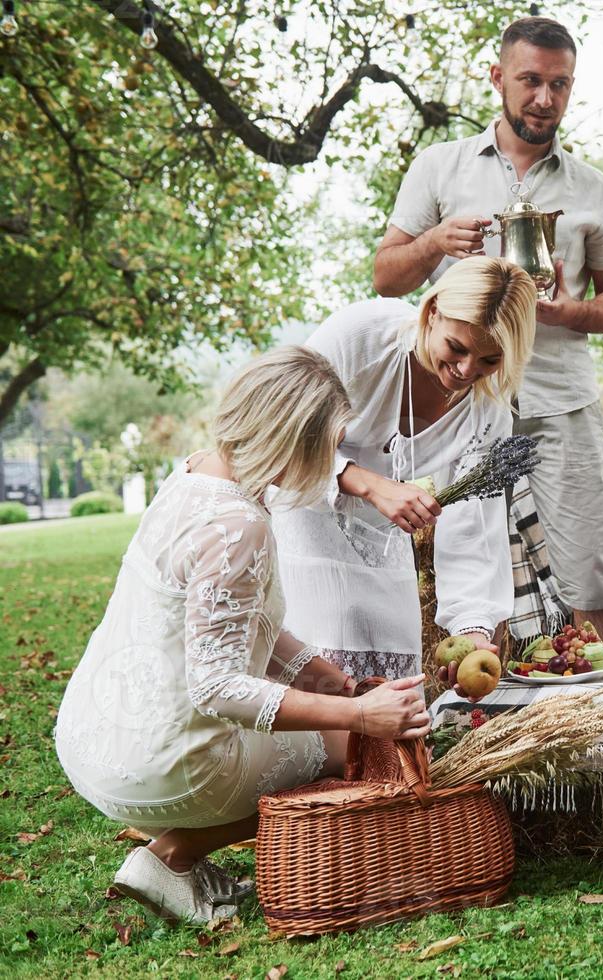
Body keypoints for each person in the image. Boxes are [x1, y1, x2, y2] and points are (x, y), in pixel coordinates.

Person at [53, 348, 432, 925]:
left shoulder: (195, 472)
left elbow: (221, 611)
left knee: (329, 725)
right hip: (164, 762)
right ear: (292, 438)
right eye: (326, 444)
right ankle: (172, 855)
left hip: (97, 732)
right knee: (344, 752)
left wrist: (313, 668)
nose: (330, 458)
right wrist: (356, 717)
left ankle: (180, 850)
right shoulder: (241, 525)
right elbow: (218, 687)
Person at [372, 15, 603, 641]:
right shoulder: (440, 167)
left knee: (593, 563)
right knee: (466, 559)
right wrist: (434, 241)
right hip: (457, 395)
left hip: (557, 395)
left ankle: (600, 699)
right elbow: (386, 276)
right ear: (497, 78)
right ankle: (474, 708)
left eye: (560, 85)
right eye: (531, 81)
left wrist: (570, 311)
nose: (545, 99)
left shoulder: (592, 187)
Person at [272, 256, 537, 683]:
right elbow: (278, 432)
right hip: (300, 514)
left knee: (384, 693)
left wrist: (471, 628)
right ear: (432, 314)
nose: (467, 370)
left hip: (381, 541)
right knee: (317, 679)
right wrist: (369, 483)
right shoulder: (361, 338)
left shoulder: (487, 413)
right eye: (457, 347)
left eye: (490, 360)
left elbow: (473, 528)